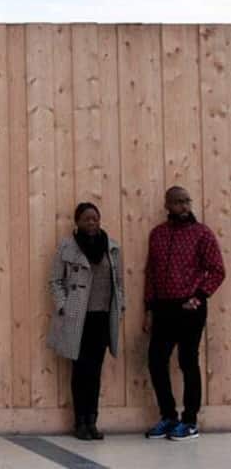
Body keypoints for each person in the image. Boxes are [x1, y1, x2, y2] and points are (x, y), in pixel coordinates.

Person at [143, 186, 225, 441]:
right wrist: (148, 309)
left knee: (188, 362)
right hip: (163, 308)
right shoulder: (157, 234)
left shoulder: (202, 233)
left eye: (187, 201)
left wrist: (198, 297)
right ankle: (168, 416)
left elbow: (217, 270)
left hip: (190, 308)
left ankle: (190, 422)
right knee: (156, 360)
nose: (184, 206)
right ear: (167, 205)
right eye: (178, 202)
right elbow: (151, 274)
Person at [46, 202, 125, 440]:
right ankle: (79, 422)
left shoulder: (111, 248)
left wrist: (120, 305)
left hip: (102, 318)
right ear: (77, 222)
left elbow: (119, 283)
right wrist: (64, 305)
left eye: (95, 219)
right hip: (77, 319)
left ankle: (93, 422)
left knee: (96, 371)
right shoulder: (67, 248)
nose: (92, 223)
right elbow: (54, 281)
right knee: (80, 371)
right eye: (87, 219)